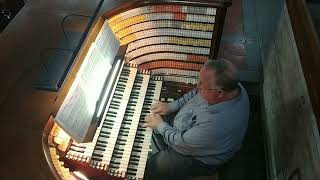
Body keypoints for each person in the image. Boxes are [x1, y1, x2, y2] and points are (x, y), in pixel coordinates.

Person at [143, 59, 250, 180]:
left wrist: (160, 126)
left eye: (202, 84)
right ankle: (163, 145)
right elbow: (196, 93)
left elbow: (182, 143)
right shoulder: (231, 86)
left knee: (157, 166)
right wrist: (171, 106)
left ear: (219, 93)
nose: (197, 86)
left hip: (201, 158)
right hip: (192, 135)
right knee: (157, 118)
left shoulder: (216, 125)